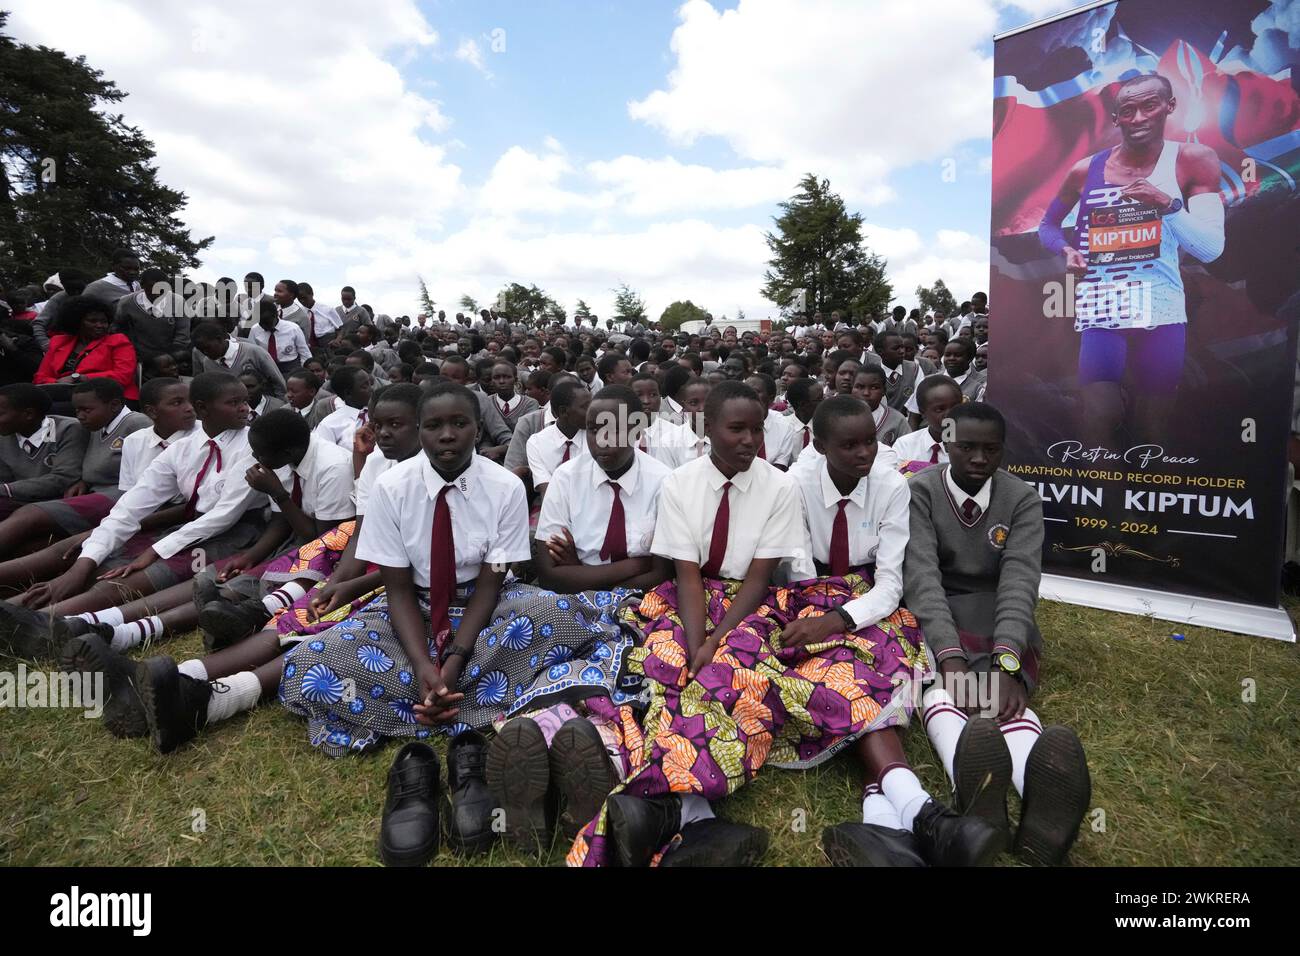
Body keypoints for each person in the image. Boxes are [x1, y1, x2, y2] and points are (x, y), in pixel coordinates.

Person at [70, 385, 423, 743]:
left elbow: (406, 554)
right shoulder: (378, 460)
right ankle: (167, 676)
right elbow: (359, 534)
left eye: (395, 424)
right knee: (298, 613)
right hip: (342, 557)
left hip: (394, 577)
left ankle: (203, 694)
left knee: (324, 637)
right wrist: (335, 584)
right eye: (377, 425)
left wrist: (347, 584)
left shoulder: (380, 471)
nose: (382, 434)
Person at [569, 381, 809, 867]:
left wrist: (715, 645)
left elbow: (759, 579)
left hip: (748, 604)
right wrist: (696, 643)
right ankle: (682, 805)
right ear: (708, 428)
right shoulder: (680, 484)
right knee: (668, 671)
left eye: (756, 429)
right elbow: (687, 576)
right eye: (735, 428)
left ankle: (665, 805)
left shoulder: (781, 486)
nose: (748, 439)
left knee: (738, 680)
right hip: (690, 598)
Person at [777, 396, 1000, 866]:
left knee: (866, 668)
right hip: (806, 595)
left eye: (870, 442)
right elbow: (798, 570)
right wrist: (822, 620)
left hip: (869, 600)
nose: (864, 453)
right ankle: (918, 813)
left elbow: (891, 581)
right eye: (850, 444)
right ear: (818, 445)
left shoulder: (890, 486)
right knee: (839, 668)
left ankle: (889, 818)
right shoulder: (794, 484)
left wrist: (840, 621)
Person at [905, 402, 1091, 865]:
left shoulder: (1021, 498)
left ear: (1003, 450)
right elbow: (923, 579)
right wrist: (948, 656)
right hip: (938, 610)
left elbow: (1019, 581)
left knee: (1002, 692)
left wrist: (1010, 660)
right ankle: (974, 787)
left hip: (994, 614)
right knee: (935, 682)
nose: (979, 458)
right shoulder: (920, 492)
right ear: (945, 442)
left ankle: (1040, 800)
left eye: (991, 449)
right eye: (967, 446)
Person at [1038, 72, 1224, 448]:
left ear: (1169, 107)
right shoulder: (1084, 169)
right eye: (1128, 110)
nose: (1138, 118)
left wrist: (1167, 205)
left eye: (1149, 105)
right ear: (1116, 118)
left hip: (1161, 307)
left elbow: (1210, 248)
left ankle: (1146, 503)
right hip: (1104, 305)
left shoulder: (1193, 160)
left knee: (1153, 426)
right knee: (1100, 415)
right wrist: (1066, 249)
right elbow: (1048, 225)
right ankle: (1098, 500)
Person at [0, 372, 264, 626]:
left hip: (236, 534)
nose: (245, 408)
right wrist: (84, 563)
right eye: (233, 403)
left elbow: (224, 515)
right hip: (187, 526)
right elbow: (130, 506)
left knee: (138, 576)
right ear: (203, 409)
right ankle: (15, 605)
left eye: (244, 401)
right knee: (92, 559)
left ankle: (35, 622)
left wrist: (154, 551)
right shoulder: (183, 449)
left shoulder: (252, 445)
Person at [0, 384, 87, 520]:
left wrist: (6, 489)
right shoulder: (5, 435)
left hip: (56, 502)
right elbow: (4, 479)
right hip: (18, 499)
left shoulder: (67, 429)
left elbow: (64, 478)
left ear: (28, 414)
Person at [34, 296, 139, 403]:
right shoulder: (59, 342)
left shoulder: (118, 341)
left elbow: (123, 376)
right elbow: (40, 378)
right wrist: (58, 382)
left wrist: (80, 378)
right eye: (93, 321)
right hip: (63, 395)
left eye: (104, 322)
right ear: (77, 322)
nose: (100, 325)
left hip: (109, 397)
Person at [114, 267, 189, 371]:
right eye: (152, 287)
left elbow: (182, 334)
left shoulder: (178, 302)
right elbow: (120, 331)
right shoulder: (126, 303)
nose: (157, 293)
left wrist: (169, 358)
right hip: (137, 357)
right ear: (142, 285)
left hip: (169, 357)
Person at [526, 378, 591, 498]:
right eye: (585, 407)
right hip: (554, 504)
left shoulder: (597, 438)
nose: (592, 411)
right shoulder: (536, 443)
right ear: (563, 411)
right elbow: (546, 490)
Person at [191, 321, 287, 399]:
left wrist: (278, 405)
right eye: (201, 350)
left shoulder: (253, 352)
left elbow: (278, 383)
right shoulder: (208, 363)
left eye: (207, 348)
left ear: (219, 339)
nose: (205, 353)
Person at [890, 376, 963, 470]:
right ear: (923, 412)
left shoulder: (969, 446)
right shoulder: (905, 445)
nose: (949, 414)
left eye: (955, 407)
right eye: (939, 409)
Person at [313, 366, 373, 453]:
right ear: (348, 393)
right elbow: (325, 455)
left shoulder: (380, 413)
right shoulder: (329, 425)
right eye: (364, 386)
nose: (371, 389)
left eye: (370, 384)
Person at [248, 299, 310, 375]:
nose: (263, 326)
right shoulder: (255, 329)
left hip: (290, 368)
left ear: (276, 315)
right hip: (266, 368)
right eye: (261, 323)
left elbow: (305, 353)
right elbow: (252, 353)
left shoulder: (293, 328)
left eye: (267, 322)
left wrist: (304, 373)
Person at [852, 366, 910, 445]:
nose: (866, 393)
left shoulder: (897, 421)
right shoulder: (839, 417)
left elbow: (907, 451)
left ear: (884, 391)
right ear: (852, 388)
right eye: (860, 387)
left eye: (874, 387)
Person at [489, 359, 537, 432]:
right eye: (496, 377)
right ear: (491, 381)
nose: (501, 381)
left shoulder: (530, 404)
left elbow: (527, 431)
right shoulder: (486, 402)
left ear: (516, 380)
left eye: (507, 377)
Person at [785, 376, 825, 464]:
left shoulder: (825, 427)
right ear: (803, 404)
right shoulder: (783, 427)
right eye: (820, 399)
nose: (824, 402)